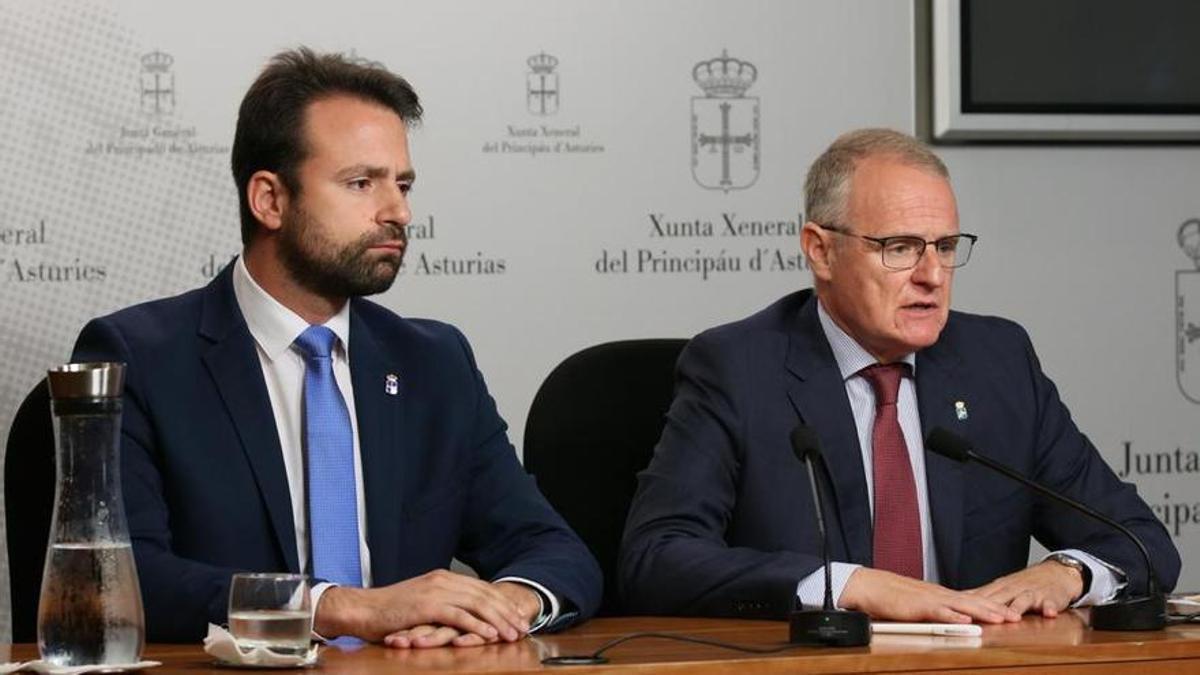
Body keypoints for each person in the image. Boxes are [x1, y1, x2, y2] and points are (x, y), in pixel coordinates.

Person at [71, 48, 600, 647]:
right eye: (360, 183)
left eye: (402, 184)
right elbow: (115, 578)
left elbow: (552, 550)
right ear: (269, 199)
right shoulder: (138, 358)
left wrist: (502, 605)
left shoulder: (435, 362)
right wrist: (340, 609)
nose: (398, 211)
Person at [619, 128, 1179, 624]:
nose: (932, 275)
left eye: (945, 247)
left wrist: (1067, 573)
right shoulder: (738, 368)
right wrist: (849, 586)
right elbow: (656, 557)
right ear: (821, 251)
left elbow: (1141, 540)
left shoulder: (998, 360)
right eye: (900, 248)